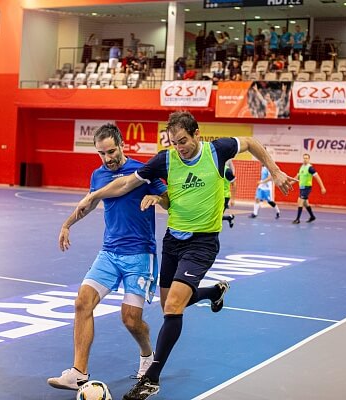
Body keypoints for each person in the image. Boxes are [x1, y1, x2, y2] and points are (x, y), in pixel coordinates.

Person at [74, 111, 293, 400]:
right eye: (174, 143)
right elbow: (126, 183)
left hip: (202, 242)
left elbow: (251, 143)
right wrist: (94, 195)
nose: (180, 148)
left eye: (184, 141)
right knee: (171, 303)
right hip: (173, 241)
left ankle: (151, 378)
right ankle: (213, 292)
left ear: (196, 134)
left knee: (174, 306)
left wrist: (275, 171)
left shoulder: (217, 151)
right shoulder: (165, 159)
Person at [47, 123, 169, 391]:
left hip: (139, 255)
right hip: (109, 253)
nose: (107, 158)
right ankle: (79, 373)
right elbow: (89, 203)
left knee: (130, 319)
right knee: (82, 302)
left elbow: (169, 200)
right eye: (101, 153)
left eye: (111, 151)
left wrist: (157, 199)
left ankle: (147, 355)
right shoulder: (98, 175)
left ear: (122, 145)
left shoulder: (143, 171)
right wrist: (67, 224)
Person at [292, 153, 326, 224]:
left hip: (307, 188)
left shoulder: (310, 168)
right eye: (304, 158)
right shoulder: (301, 167)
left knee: (300, 201)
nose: (305, 159)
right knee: (305, 203)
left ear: (309, 159)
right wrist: (289, 184)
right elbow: (296, 178)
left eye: (306, 158)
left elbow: (318, 178)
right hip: (301, 188)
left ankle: (297, 219)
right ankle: (312, 216)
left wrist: (322, 187)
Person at [222, 161, 236, 228]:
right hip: (215, 196)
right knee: (213, 216)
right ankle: (229, 218)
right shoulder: (214, 169)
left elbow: (234, 184)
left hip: (224, 196)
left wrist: (233, 199)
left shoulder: (227, 171)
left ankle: (229, 218)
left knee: (216, 217)